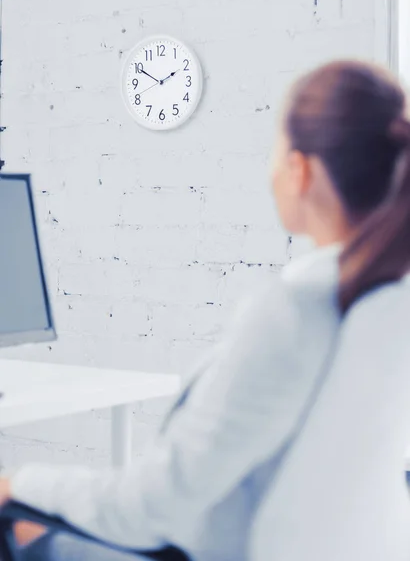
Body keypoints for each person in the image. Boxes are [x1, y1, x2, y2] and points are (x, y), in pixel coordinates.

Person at [2, 59, 410, 561]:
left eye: (275, 151)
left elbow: (150, 509)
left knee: (18, 529)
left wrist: (20, 481)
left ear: (299, 171)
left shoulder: (295, 313)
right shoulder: (387, 304)